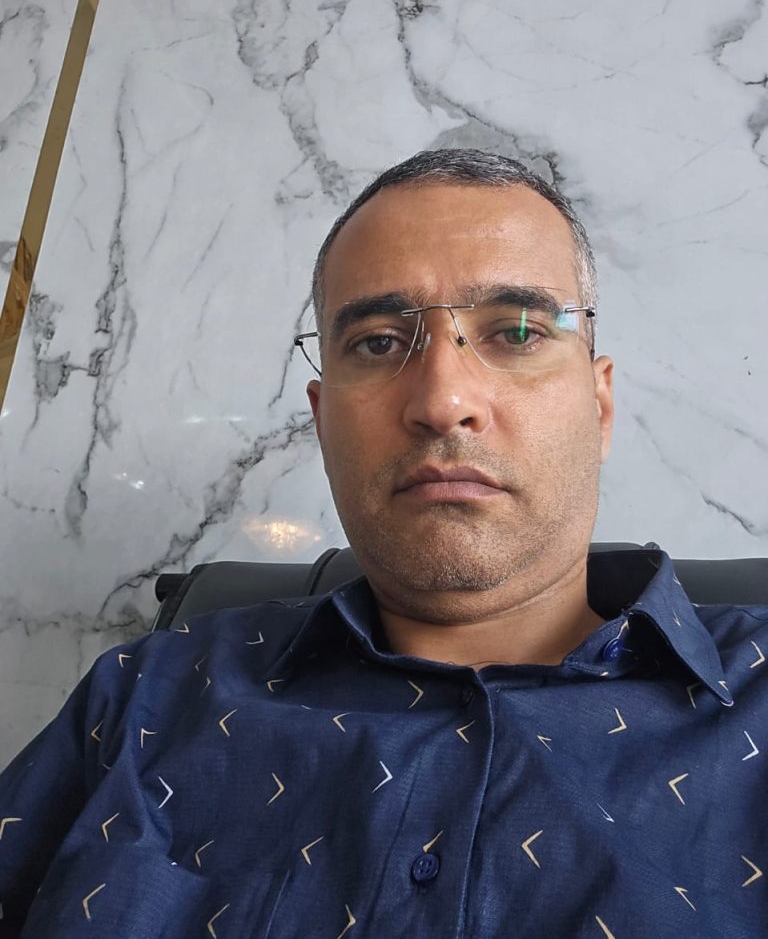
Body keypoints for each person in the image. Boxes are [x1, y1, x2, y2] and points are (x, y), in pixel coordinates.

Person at [1, 148, 766, 939]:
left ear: (599, 407)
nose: (442, 399)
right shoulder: (142, 701)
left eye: (516, 331)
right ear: (321, 419)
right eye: (376, 341)